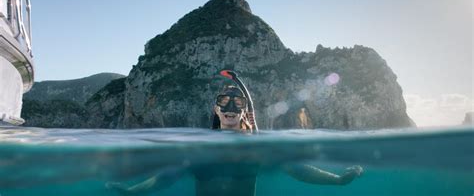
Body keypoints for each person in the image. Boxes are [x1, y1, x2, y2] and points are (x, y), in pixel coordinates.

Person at [107, 85, 363, 196]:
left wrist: (338, 180)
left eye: (237, 103)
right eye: (223, 102)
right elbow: (166, 177)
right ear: (216, 109)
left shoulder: (257, 148)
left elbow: (297, 168)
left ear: (244, 110)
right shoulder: (198, 149)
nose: (230, 107)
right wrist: (131, 191)